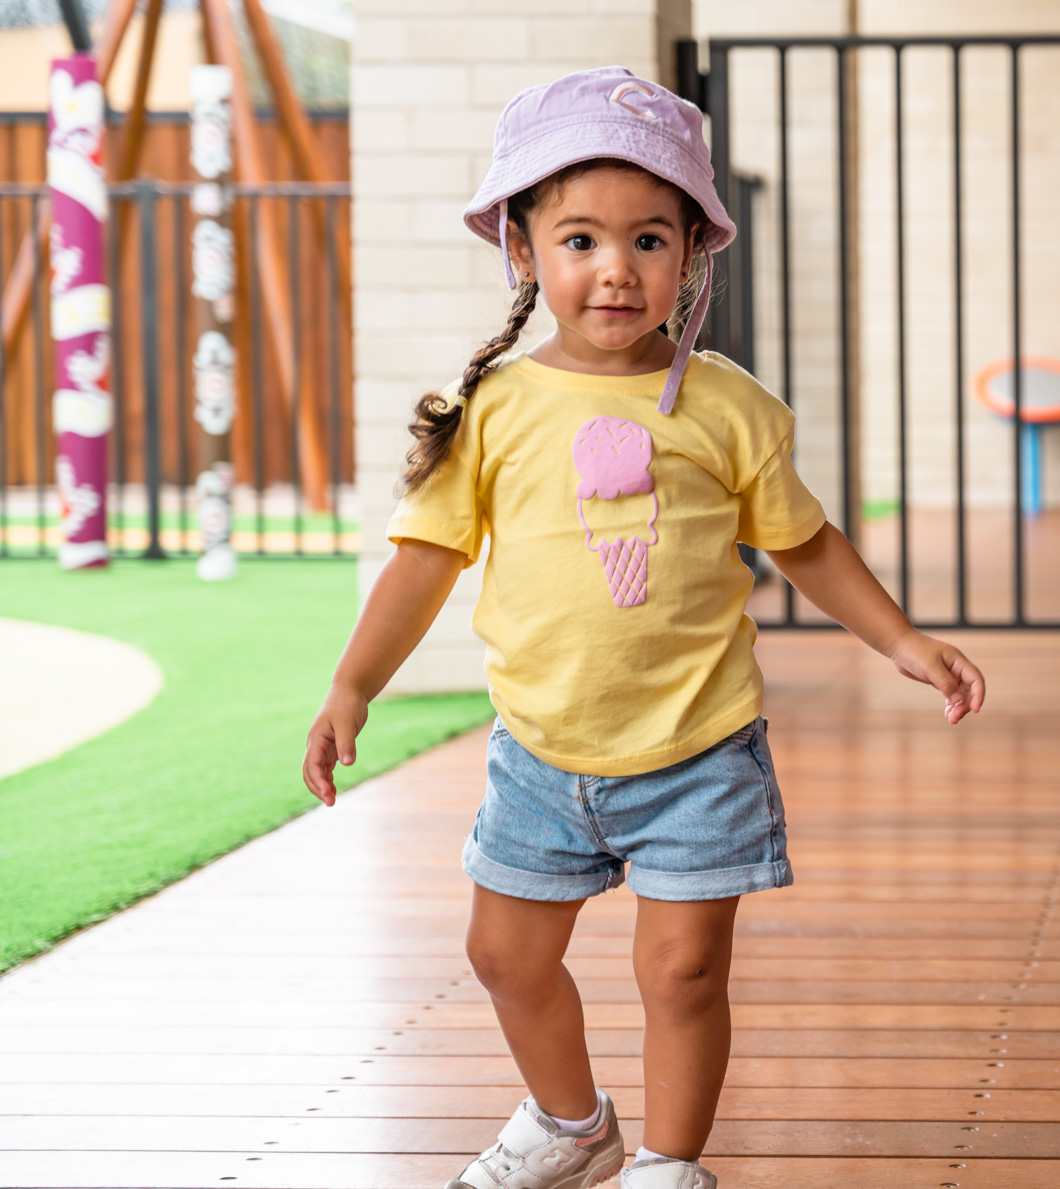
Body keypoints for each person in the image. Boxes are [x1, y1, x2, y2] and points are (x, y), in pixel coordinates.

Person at [300, 67, 986, 1189]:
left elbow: (804, 540)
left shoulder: (724, 404)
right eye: (579, 238)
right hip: (540, 751)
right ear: (522, 251)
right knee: (503, 954)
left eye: (650, 239)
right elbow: (423, 565)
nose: (616, 267)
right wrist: (353, 687)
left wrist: (902, 639)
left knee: (684, 973)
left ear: (691, 255)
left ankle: (670, 1162)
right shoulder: (496, 410)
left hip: (699, 747)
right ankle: (571, 1122)